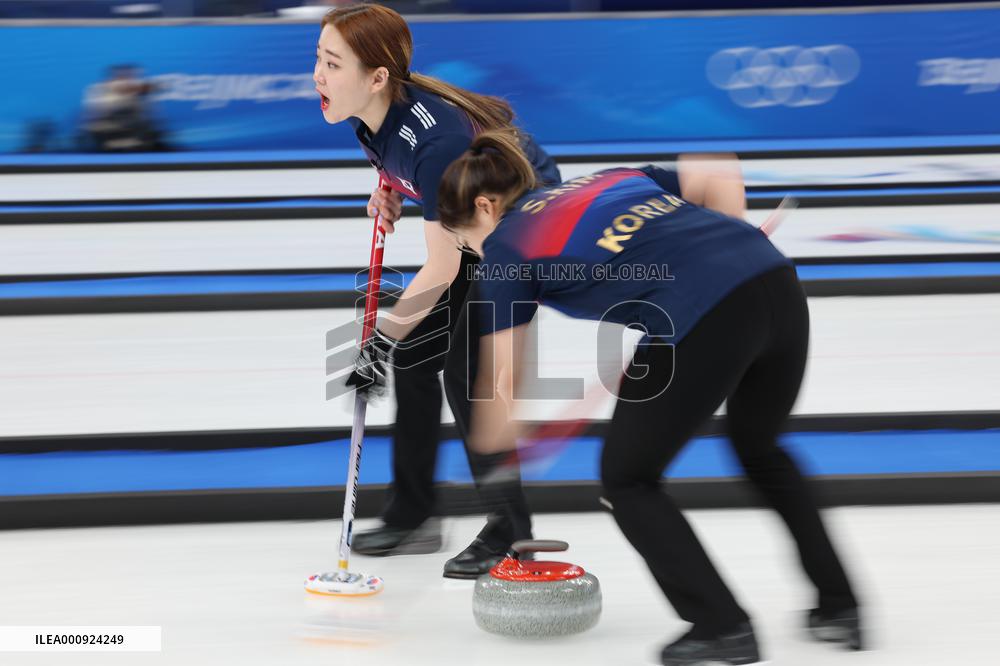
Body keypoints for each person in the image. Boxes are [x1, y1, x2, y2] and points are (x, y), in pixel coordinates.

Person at [434, 131, 862, 665]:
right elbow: (712, 167)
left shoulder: (505, 245)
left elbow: (501, 379)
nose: (474, 253)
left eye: (465, 241)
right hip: (774, 280)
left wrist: (490, 456)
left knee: (628, 479)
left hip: (704, 314)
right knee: (760, 449)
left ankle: (722, 626)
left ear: (484, 207)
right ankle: (841, 607)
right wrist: (723, 245)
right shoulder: (606, 180)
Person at [313, 3, 561, 578]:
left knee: (464, 373)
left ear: (377, 77)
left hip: (523, 230)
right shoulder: (367, 116)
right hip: (475, 224)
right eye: (318, 60)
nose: (318, 76)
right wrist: (394, 190)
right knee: (417, 358)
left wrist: (375, 343)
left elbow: (444, 265)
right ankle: (414, 513)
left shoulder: (437, 142)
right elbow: (404, 167)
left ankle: (511, 531)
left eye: (332, 64)